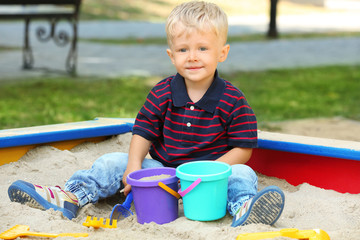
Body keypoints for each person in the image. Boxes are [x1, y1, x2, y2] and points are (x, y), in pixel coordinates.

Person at [8, 1, 285, 227]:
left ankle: (244, 207)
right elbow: (142, 132)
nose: (192, 56)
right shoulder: (163, 92)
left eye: (203, 48)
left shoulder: (232, 98)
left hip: (210, 179)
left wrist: (212, 172)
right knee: (110, 162)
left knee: (241, 173)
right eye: (183, 49)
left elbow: (243, 148)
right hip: (163, 175)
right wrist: (133, 166)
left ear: (222, 53)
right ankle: (72, 196)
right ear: (171, 55)